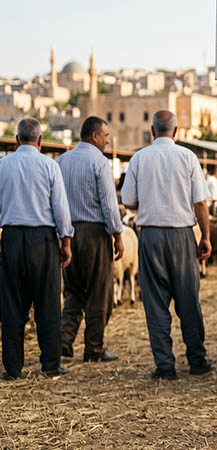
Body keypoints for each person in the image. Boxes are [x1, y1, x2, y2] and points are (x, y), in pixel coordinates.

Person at [121, 110, 212, 380]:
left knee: (155, 303)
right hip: (183, 235)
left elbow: (128, 201)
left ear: (152, 131)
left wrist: (149, 199)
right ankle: (197, 360)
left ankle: (165, 366)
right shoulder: (188, 157)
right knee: (188, 301)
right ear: (176, 130)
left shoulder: (139, 158)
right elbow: (200, 203)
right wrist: (205, 236)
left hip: (150, 236)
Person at [0, 118, 73, 380]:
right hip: (43, 240)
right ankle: (50, 365)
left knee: (11, 304)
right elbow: (61, 209)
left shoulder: (2, 166)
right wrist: (66, 242)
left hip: (11, 239)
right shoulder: (49, 166)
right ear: (40, 141)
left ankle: (12, 368)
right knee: (48, 303)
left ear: (17, 140)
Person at [58, 117, 124, 363]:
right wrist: (118, 235)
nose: (107, 140)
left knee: (73, 290)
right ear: (95, 136)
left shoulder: (62, 161)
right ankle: (93, 347)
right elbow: (108, 203)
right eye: (106, 135)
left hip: (68, 233)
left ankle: (64, 341)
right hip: (94, 234)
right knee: (99, 291)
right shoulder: (99, 162)